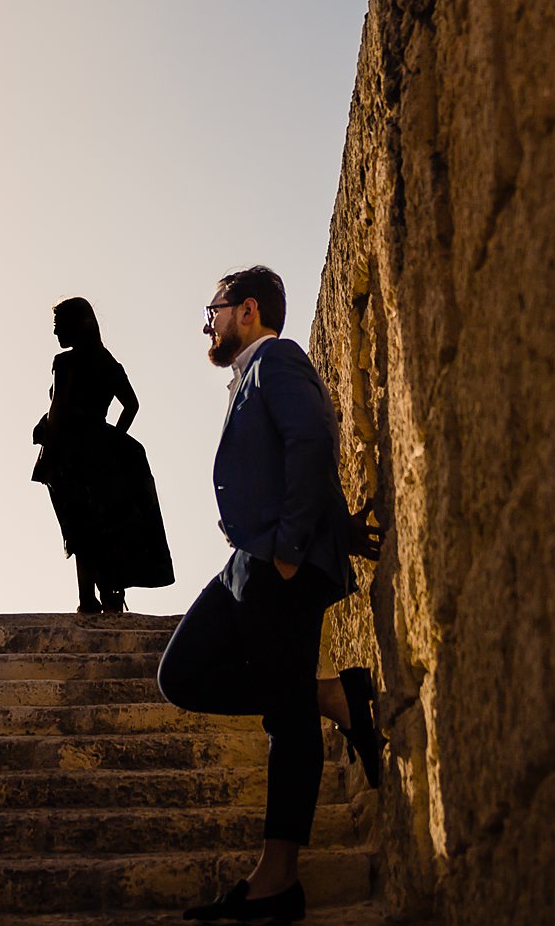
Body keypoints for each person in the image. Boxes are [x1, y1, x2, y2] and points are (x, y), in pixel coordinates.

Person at [159, 265, 385, 924]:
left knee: (286, 724)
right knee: (182, 672)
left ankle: (276, 881)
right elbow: (297, 454)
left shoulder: (277, 358)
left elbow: (313, 436)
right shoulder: (253, 374)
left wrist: (291, 550)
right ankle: (332, 695)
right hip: (250, 563)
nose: (209, 321)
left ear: (248, 310)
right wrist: (334, 527)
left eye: (215, 308)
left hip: (275, 562)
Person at [31, 296, 174, 613]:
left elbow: (58, 411)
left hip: (71, 452)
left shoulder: (64, 363)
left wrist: (45, 439)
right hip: (102, 452)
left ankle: (87, 600)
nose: (55, 334)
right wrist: (113, 439)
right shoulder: (109, 363)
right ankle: (109, 594)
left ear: (76, 325)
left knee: (80, 524)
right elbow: (132, 405)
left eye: (58, 326)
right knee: (107, 522)